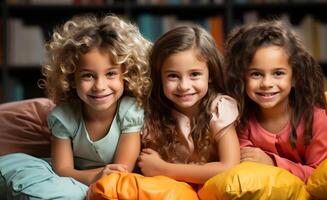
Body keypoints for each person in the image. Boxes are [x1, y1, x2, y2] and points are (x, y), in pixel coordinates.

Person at [0, 13, 151, 199]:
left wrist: (99, 178)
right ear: (71, 79)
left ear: (126, 76)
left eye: (111, 74)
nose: (100, 86)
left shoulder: (130, 112)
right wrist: (95, 176)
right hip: (75, 181)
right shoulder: (63, 116)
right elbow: (62, 169)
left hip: (117, 185)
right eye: (88, 75)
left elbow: (121, 172)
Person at [224, 20, 327, 182]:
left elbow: (321, 176)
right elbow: (244, 168)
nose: (266, 83)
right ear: (242, 77)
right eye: (256, 74)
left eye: (278, 73)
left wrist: (272, 162)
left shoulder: (314, 119)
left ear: (295, 77)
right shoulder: (240, 119)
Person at [138, 25, 241, 185]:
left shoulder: (219, 108)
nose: (184, 86)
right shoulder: (150, 113)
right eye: (173, 76)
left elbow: (229, 167)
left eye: (194, 74)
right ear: (159, 78)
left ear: (211, 74)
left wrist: (164, 169)